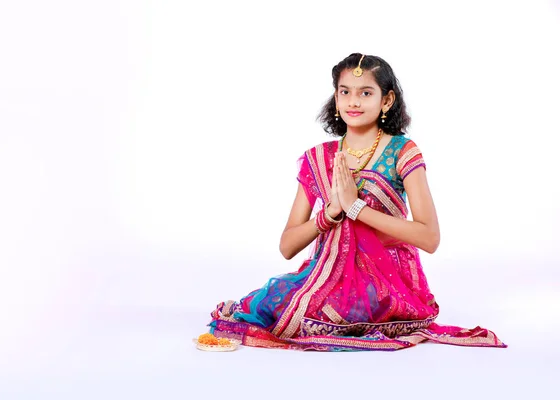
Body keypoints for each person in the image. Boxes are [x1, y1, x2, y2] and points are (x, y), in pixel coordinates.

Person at [207, 53, 506, 351]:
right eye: (345, 92)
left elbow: (429, 237)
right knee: (274, 306)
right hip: (326, 275)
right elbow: (287, 246)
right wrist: (332, 213)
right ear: (336, 99)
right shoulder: (319, 157)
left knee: (325, 313)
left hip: (387, 285)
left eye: (366, 93)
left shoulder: (404, 152)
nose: (353, 102)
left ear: (386, 101)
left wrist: (356, 208)